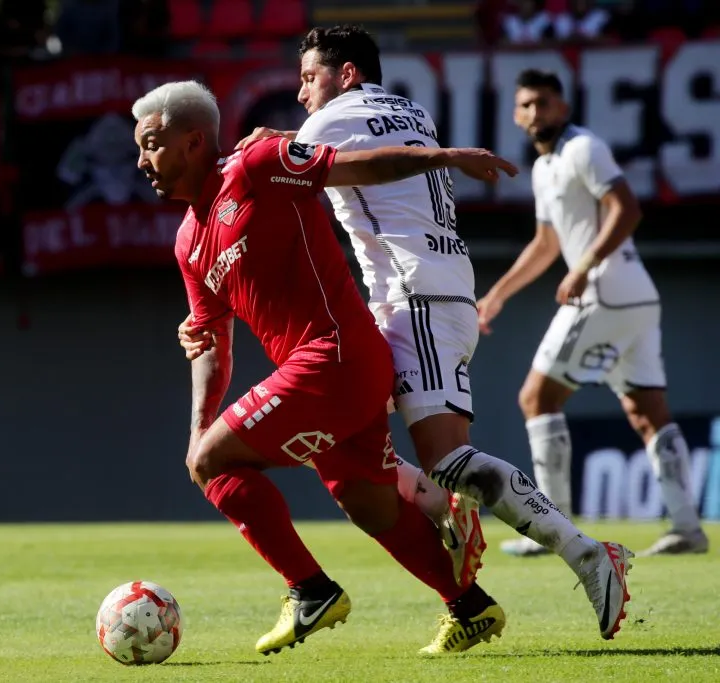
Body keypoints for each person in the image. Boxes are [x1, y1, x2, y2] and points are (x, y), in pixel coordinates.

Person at [180, 25, 633, 641]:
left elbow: (300, 159)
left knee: (446, 458)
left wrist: (264, 141)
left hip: (411, 298)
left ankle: (583, 552)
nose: (303, 94)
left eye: (310, 78)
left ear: (346, 77)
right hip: (433, 291)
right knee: (359, 458)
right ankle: (459, 540)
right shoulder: (410, 110)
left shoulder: (334, 117)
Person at [132, 80, 518, 655]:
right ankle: (469, 606)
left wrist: (443, 157)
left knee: (216, 462)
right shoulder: (189, 241)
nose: (143, 161)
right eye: (140, 148)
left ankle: (309, 590)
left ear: (193, 142)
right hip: (328, 376)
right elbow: (211, 339)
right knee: (367, 503)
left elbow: (355, 165)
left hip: (334, 355)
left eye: (153, 143)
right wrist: (197, 429)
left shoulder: (256, 165)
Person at [478, 69, 709, 557]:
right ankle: (688, 528)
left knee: (536, 399)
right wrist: (498, 294)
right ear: (517, 115)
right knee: (648, 413)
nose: (536, 112)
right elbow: (546, 245)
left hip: (604, 294)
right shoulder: (545, 167)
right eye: (527, 104)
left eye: (544, 102)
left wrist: (583, 266)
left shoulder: (584, 148)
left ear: (563, 107)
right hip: (636, 298)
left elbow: (627, 209)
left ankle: (554, 530)